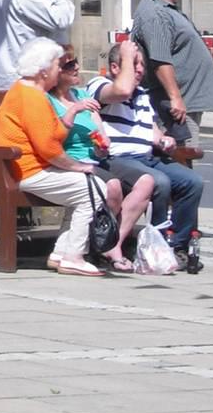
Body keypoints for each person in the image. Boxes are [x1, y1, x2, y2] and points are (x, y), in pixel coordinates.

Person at [0, 38, 120, 276]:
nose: (59, 70)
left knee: (85, 188)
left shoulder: (27, 90)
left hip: (21, 168)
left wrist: (71, 113)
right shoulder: (31, 97)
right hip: (23, 171)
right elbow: (49, 149)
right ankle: (74, 256)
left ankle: (61, 253)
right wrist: (78, 166)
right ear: (43, 71)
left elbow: (53, 133)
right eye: (57, 65)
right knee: (95, 189)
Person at [86, 40, 205, 272]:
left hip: (146, 158)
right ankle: (152, 247)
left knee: (192, 182)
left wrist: (163, 139)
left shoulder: (141, 94)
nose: (140, 69)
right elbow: (121, 91)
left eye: (142, 64)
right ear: (115, 68)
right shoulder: (99, 85)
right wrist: (126, 53)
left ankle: (176, 245)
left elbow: (149, 129)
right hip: (116, 159)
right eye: (134, 64)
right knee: (160, 181)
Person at [48, 48, 153, 272]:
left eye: (76, 62)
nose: (77, 67)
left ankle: (111, 244)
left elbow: (100, 134)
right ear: (55, 71)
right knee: (112, 187)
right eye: (70, 65)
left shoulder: (82, 95)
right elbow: (51, 140)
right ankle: (92, 247)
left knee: (146, 182)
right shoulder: (48, 100)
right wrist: (73, 111)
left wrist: (102, 145)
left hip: (93, 160)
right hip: (67, 161)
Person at [130, 0, 213, 149]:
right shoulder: (155, 13)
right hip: (177, 107)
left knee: (184, 155)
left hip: (186, 102)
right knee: (180, 155)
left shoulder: (167, 9)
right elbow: (160, 59)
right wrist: (176, 98)